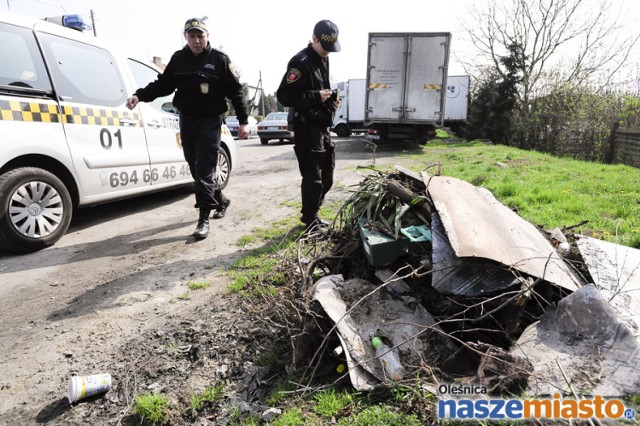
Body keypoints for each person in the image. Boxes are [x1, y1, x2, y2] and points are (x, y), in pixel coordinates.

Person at [126, 18, 249, 240]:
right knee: (195, 168)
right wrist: (139, 95)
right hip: (187, 121)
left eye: (200, 36)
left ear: (207, 36)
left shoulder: (220, 60)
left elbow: (236, 92)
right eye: (192, 36)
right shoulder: (178, 59)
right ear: (186, 37)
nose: (196, 40)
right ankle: (221, 200)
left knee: (204, 170)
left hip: (211, 122)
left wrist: (243, 122)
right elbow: (162, 85)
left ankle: (203, 219)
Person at [276, 19, 341, 229]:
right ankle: (310, 219)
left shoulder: (324, 59)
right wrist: (316, 97)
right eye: (325, 47)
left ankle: (313, 211)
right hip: (306, 128)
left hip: (323, 126)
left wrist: (331, 102)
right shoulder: (300, 62)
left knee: (328, 176)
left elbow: (322, 91)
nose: (328, 52)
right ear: (314, 39)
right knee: (313, 178)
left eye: (331, 48)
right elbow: (284, 96)